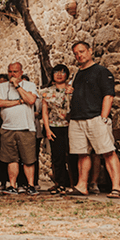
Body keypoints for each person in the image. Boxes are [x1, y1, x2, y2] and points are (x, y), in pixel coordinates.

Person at [67, 41, 120, 198]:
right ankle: (82, 185)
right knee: (82, 153)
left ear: (90, 51)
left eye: (82, 51)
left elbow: (108, 95)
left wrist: (103, 118)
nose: (79, 55)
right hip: (78, 119)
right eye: (76, 53)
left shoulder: (101, 71)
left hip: (96, 117)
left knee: (108, 152)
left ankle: (116, 188)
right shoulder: (77, 74)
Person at [0, 62, 39, 195]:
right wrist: (19, 102)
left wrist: (18, 86)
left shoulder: (29, 85)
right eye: (10, 71)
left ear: (21, 72)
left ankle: (30, 185)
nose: (12, 74)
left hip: (26, 128)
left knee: (29, 159)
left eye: (15, 71)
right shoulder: (2, 86)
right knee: (11, 159)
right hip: (8, 128)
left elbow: (31, 100)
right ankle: (12, 186)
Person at [41, 64, 76, 194]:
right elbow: (45, 112)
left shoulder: (72, 90)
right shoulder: (47, 92)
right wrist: (47, 129)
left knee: (73, 155)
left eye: (62, 72)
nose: (59, 74)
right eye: (56, 72)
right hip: (54, 126)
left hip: (71, 126)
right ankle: (60, 183)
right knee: (57, 157)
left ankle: (75, 183)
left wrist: (71, 94)